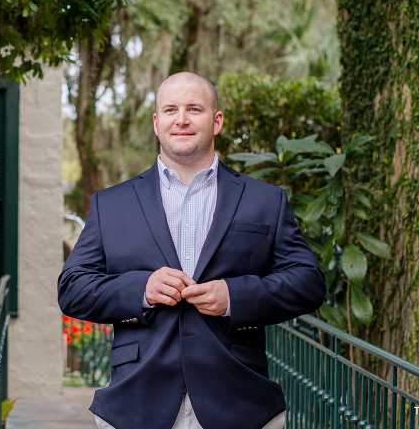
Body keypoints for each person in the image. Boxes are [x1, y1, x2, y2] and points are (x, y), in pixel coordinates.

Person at [58, 72, 326, 429]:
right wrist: (141, 290)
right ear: (157, 123)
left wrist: (234, 295)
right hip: (135, 404)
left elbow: (309, 282)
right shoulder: (111, 204)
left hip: (239, 403)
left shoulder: (265, 201)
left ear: (216, 121)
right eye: (170, 109)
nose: (181, 119)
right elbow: (72, 288)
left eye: (194, 109)